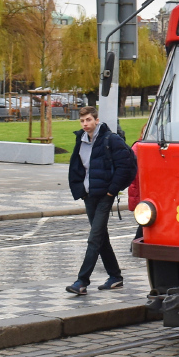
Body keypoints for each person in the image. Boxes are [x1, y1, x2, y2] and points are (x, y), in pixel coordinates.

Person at [66, 106, 136, 294]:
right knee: (101, 237)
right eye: (82, 121)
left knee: (94, 238)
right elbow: (78, 166)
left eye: (88, 120)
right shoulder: (80, 140)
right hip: (89, 195)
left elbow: (127, 165)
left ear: (96, 120)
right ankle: (115, 276)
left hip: (105, 196)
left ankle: (82, 281)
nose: (85, 124)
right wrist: (81, 190)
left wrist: (112, 191)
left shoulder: (110, 139)